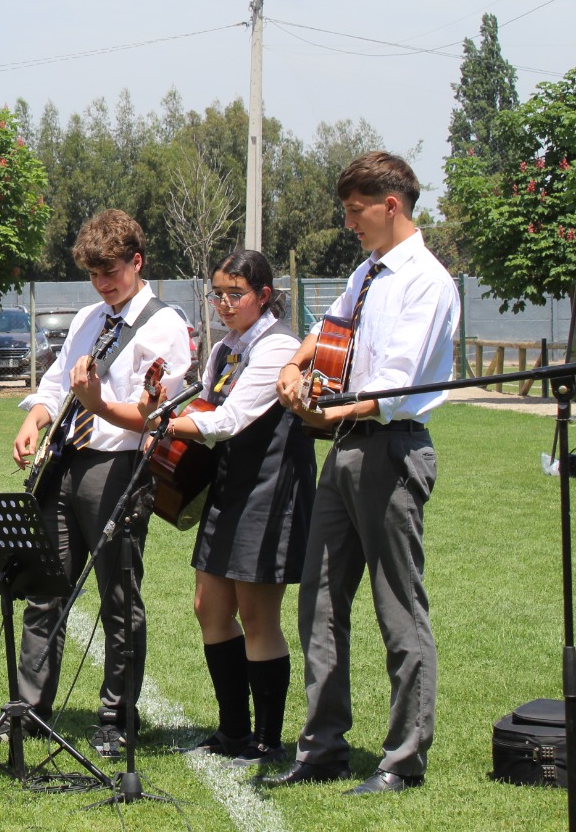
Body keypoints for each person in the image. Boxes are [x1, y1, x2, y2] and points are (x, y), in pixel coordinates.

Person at [265, 152, 459, 796]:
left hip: (391, 450)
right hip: (346, 449)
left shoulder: (426, 281)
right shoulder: (368, 271)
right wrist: (293, 368)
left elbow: (397, 385)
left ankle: (403, 760)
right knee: (319, 602)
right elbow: (329, 329)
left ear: (390, 205)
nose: (349, 223)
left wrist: (325, 410)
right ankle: (323, 749)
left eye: (355, 211)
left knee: (398, 608)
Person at [11, 209, 191, 758]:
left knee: (118, 597)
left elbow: (153, 415)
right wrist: (35, 417)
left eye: (110, 271)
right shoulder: (90, 317)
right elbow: (56, 381)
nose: (102, 283)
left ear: (137, 262)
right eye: (93, 274)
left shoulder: (164, 325)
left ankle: (117, 717)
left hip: (118, 467)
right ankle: (30, 711)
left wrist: (99, 406)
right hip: (66, 462)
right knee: (45, 592)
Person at [150, 250, 316, 766]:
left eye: (234, 294)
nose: (223, 304)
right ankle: (232, 730)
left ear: (263, 296)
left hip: (269, 490)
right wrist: (160, 411)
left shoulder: (279, 346)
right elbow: (204, 405)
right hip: (229, 487)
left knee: (258, 615)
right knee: (210, 608)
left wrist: (157, 426)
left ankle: (266, 740)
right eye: (217, 294)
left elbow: (229, 420)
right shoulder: (224, 348)